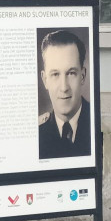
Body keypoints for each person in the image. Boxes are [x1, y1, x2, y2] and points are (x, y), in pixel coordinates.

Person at [39, 30, 92, 159]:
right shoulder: (37, 134)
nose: (64, 87)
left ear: (83, 76)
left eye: (71, 73)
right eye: (55, 74)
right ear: (45, 80)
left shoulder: (97, 123)